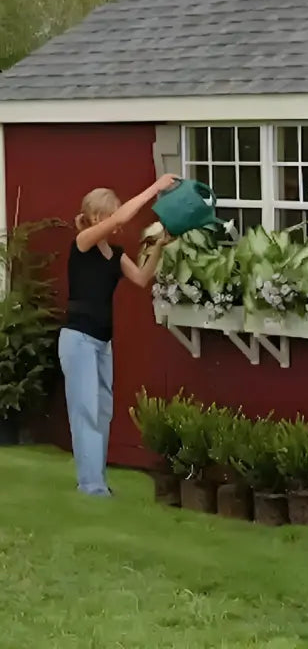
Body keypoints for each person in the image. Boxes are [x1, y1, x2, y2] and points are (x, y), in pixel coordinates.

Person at [59, 175, 178, 496]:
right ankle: (92, 487)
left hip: (101, 343)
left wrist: (159, 247)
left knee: (101, 413)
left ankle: (95, 482)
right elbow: (124, 216)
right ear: (97, 216)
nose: (116, 222)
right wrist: (156, 188)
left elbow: (141, 278)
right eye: (110, 214)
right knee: (85, 411)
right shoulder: (82, 242)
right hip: (78, 339)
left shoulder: (115, 253)